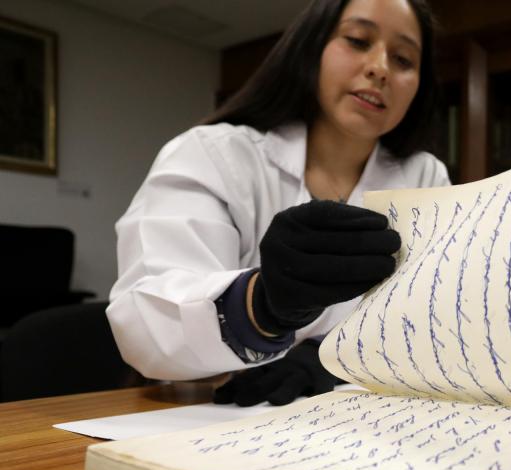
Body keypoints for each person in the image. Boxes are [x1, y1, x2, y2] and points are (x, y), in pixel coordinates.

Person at [107, 0, 448, 407]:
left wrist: (332, 360)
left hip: (363, 416)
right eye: (358, 40)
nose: (380, 68)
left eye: (404, 59)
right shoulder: (214, 155)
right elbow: (145, 323)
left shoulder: (425, 178)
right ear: (312, 47)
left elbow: (437, 315)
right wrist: (262, 304)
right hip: (212, 414)